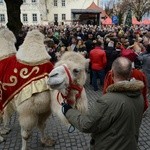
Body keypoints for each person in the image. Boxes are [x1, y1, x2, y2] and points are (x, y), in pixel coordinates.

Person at [62, 57, 144, 150]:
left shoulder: (107, 101)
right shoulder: (138, 95)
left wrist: (68, 111)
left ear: (112, 73)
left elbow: (87, 125)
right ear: (130, 73)